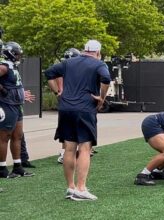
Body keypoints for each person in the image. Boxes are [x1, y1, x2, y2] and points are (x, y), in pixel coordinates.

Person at [45, 40, 110, 201]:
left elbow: (48, 73)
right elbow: (106, 79)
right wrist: (101, 98)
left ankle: (71, 187)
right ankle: (81, 188)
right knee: (85, 148)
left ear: (84, 50)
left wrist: (57, 93)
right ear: (98, 52)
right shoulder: (98, 64)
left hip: (66, 109)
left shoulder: (68, 62)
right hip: (85, 109)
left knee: (69, 148)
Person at [0, 41, 34, 178]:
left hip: (16, 105)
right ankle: (2, 168)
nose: (19, 56)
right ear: (11, 54)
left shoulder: (12, 65)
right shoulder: (3, 66)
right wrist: (3, 90)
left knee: (17, 136)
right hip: (6, 104)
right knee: (4, 137)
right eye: (17, 54)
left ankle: (17, 166)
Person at [56, 47, 80, 164]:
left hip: (72, 101)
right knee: (66, 127)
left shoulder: (68, 68)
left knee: (73, 126)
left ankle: (79, 149)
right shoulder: (64, 68)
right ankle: (64, 152)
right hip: (69, 102)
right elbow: (54, 78)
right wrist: (59, 91)